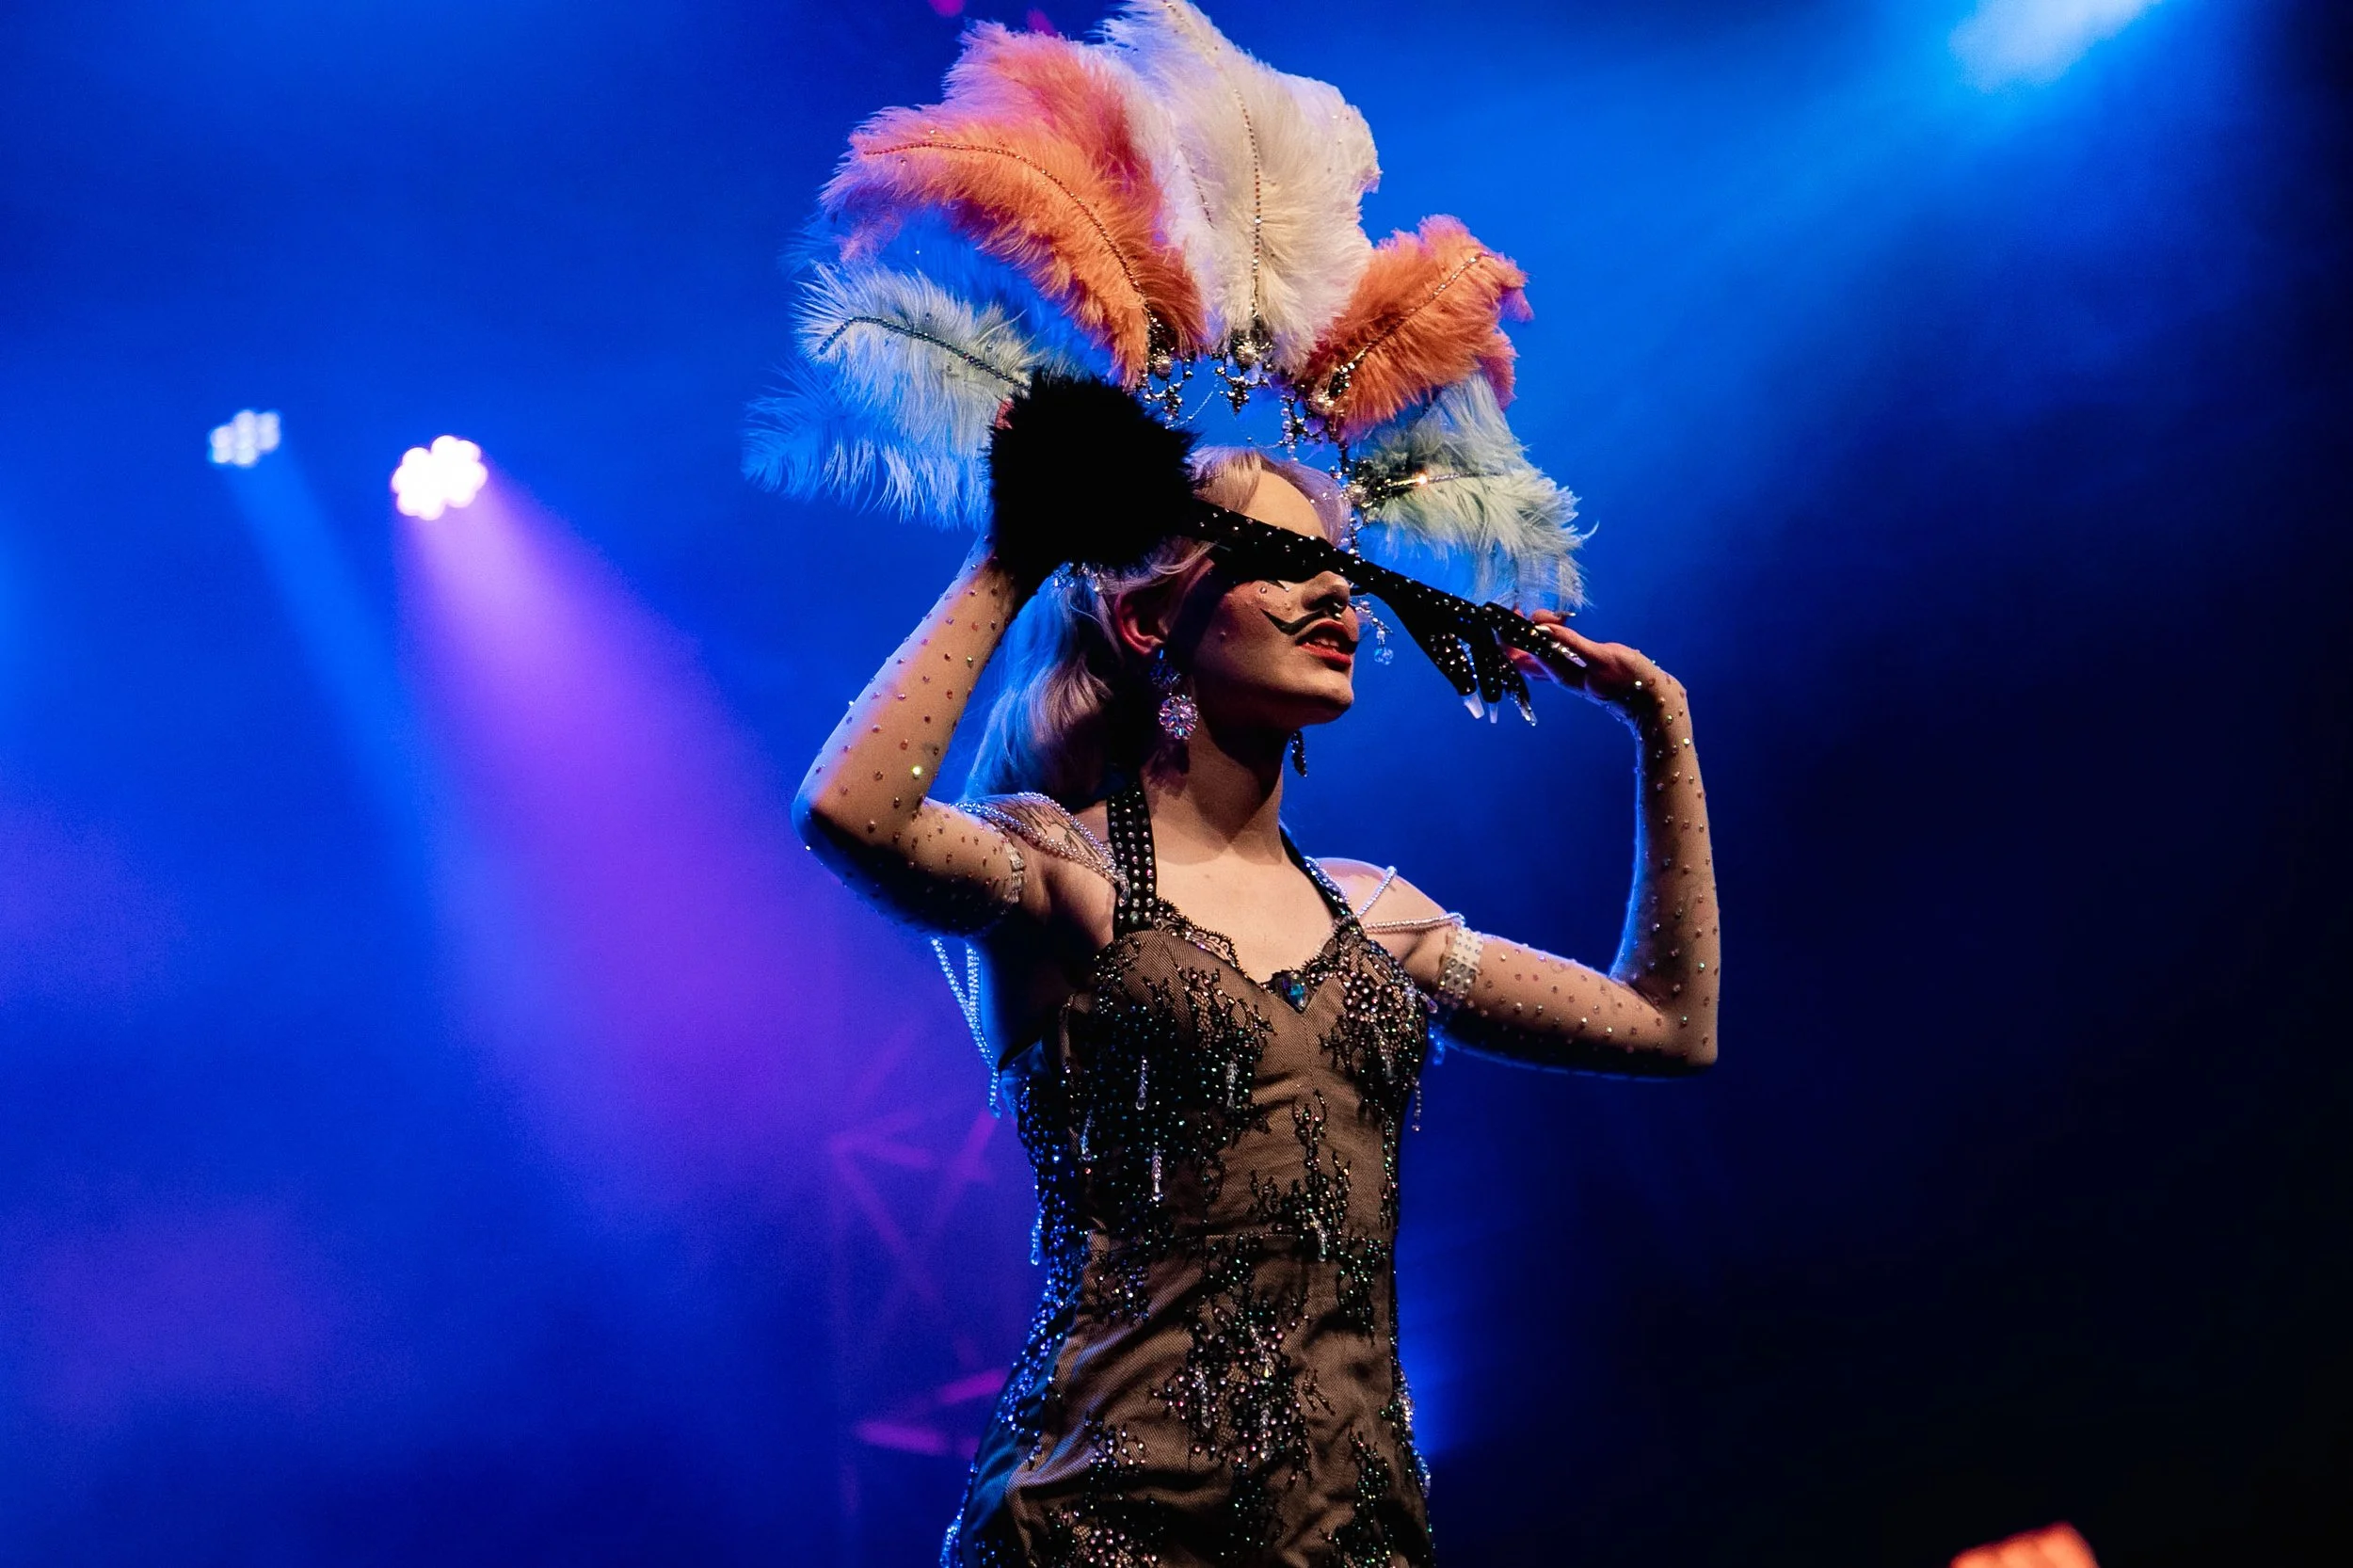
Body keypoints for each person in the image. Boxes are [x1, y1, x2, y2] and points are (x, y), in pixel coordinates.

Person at [792, 441, 1721, 1567]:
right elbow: (853, 813)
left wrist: (1660, 726)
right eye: (1284, 562)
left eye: (1342, 568)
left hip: (1352, 1534)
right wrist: (1013, 554)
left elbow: (1670, 1024)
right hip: (1095, 1524)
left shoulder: (1385, 923)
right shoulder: (1060, 871)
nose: (1338, 591)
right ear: (1147, 625)